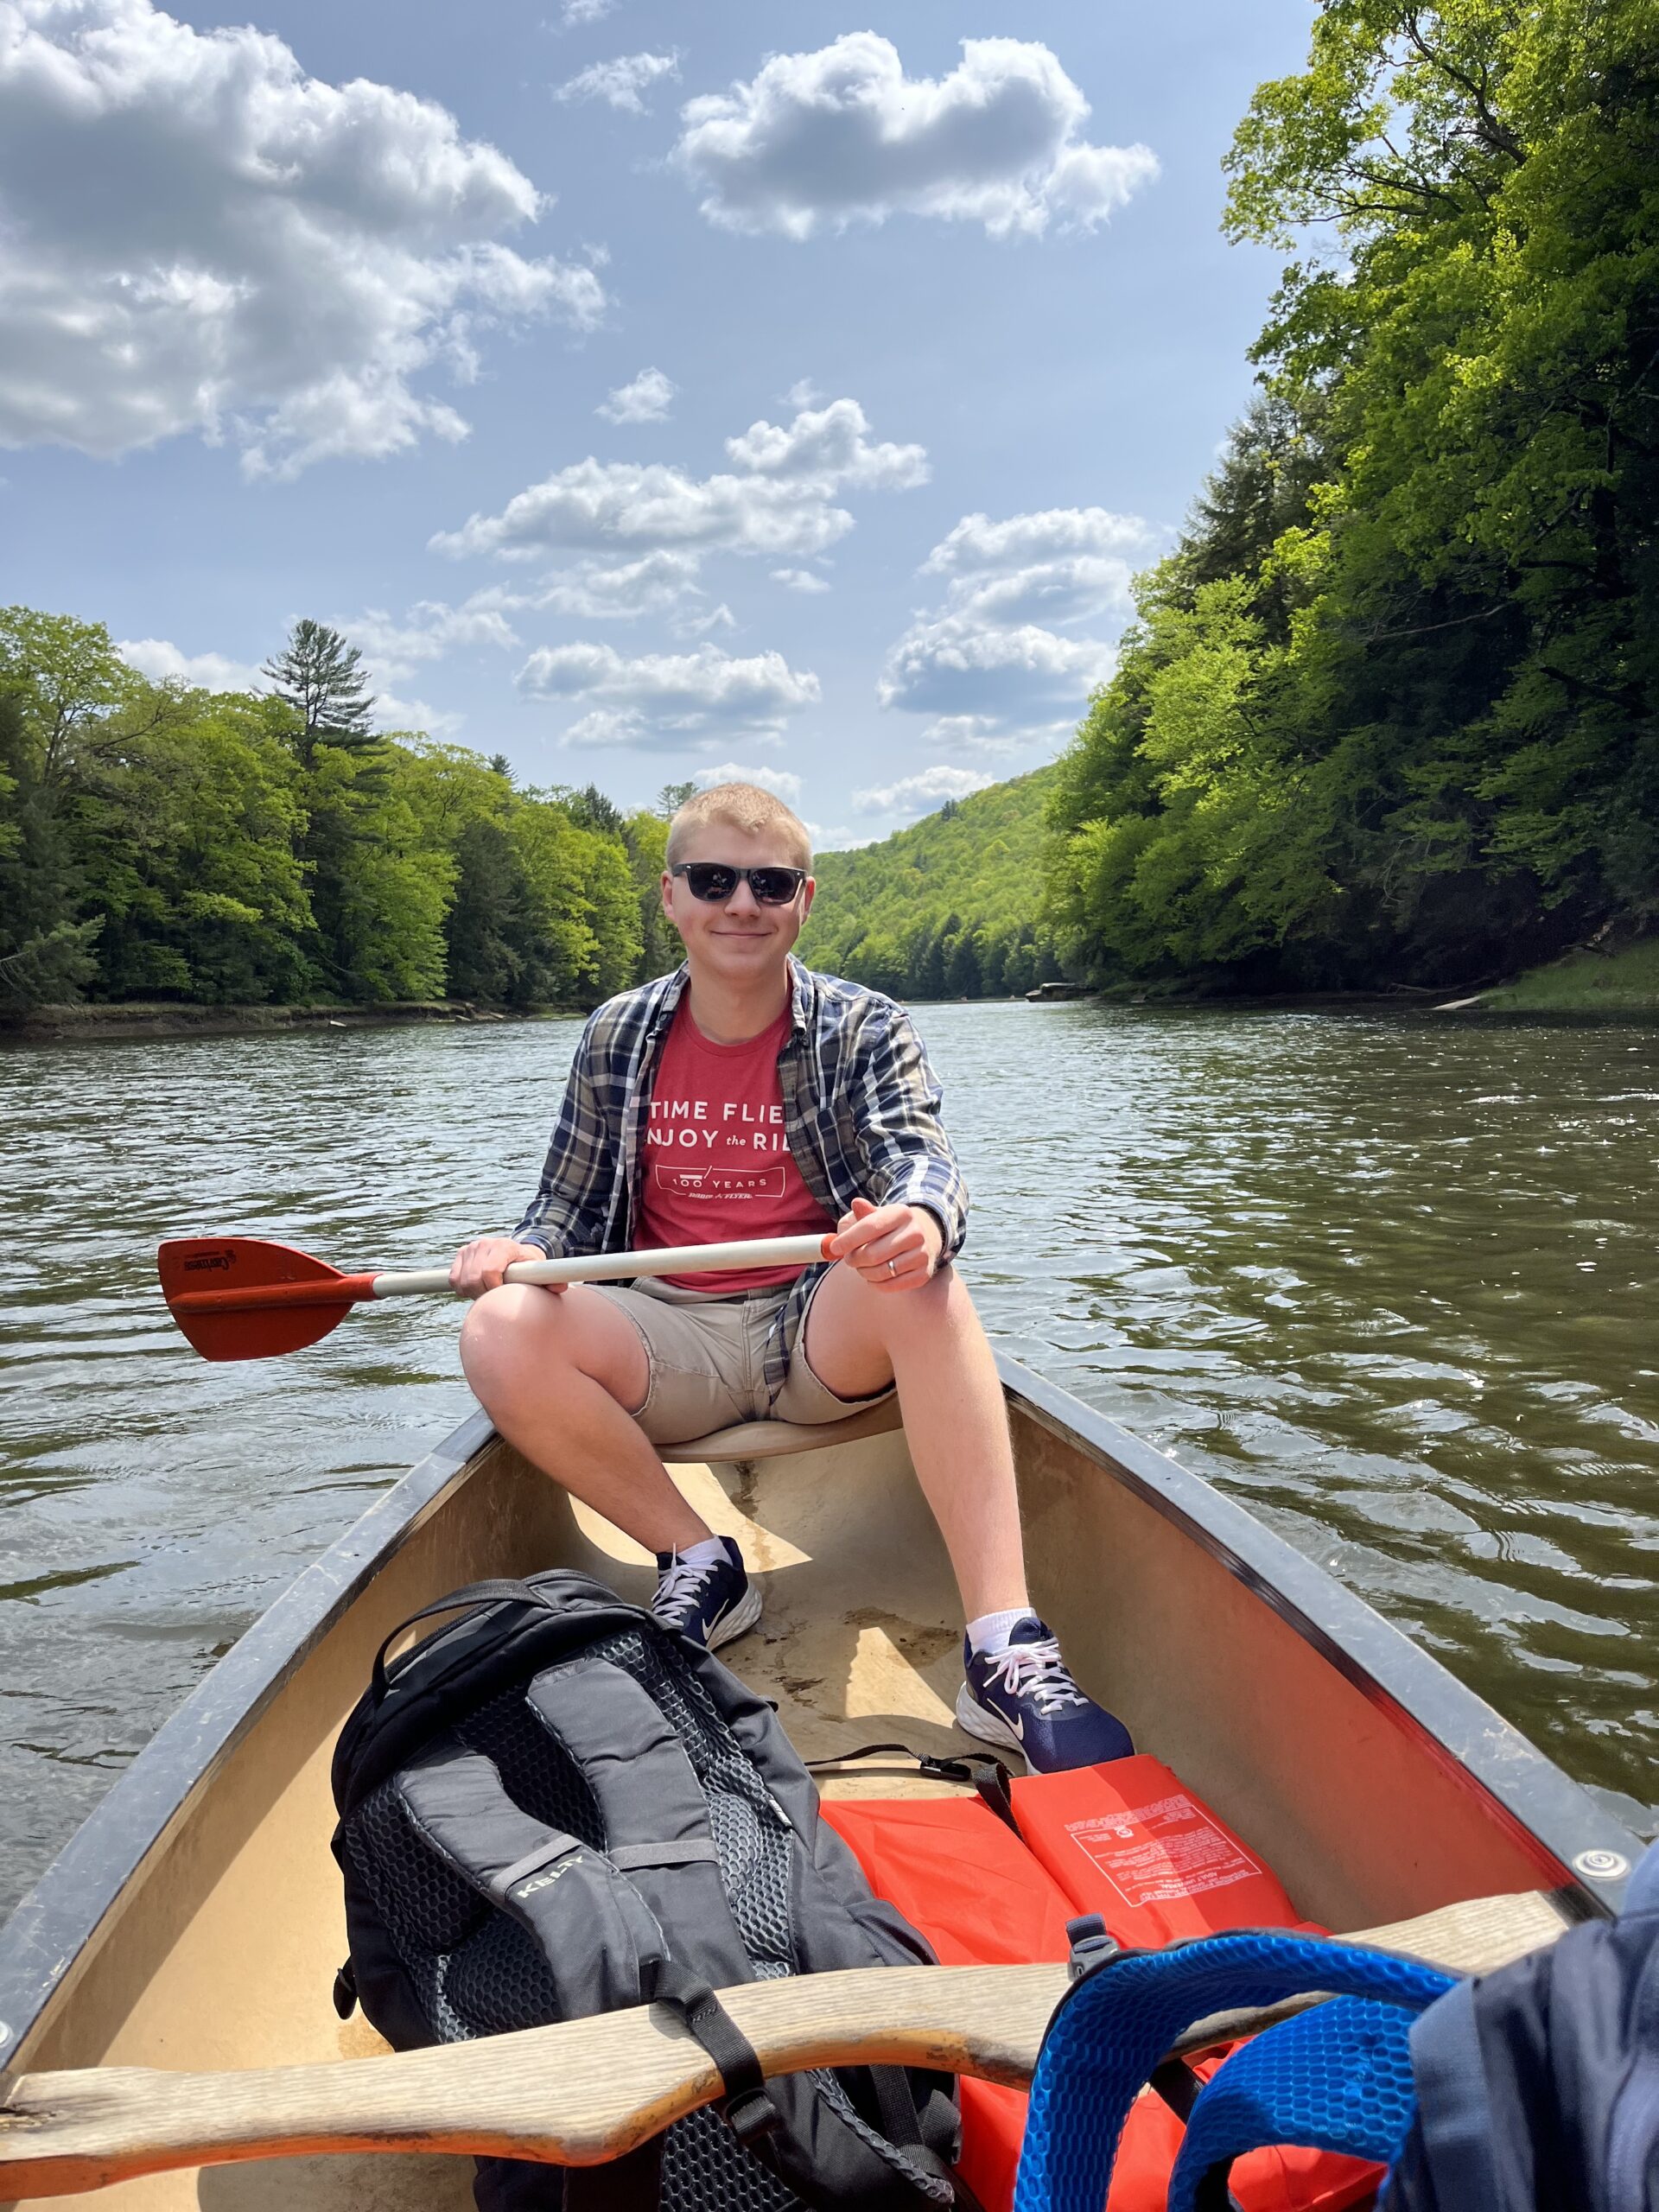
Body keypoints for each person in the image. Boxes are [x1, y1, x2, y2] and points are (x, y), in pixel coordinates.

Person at [451, 781, 1130, 1773]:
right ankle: (699, 1557)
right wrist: (521, 1254)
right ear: (672, 896)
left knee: (923, 1277)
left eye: (769, 883)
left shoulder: (866, 1025)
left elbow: (921, 1159)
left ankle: (1002, 1651)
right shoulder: (616, 1035)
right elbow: (564, 1205)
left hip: (818, 1331)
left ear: (803, 901)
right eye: (713, 878)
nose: (741, 903)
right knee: (499, 1325)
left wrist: (920, 1219)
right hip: (667, 1338)